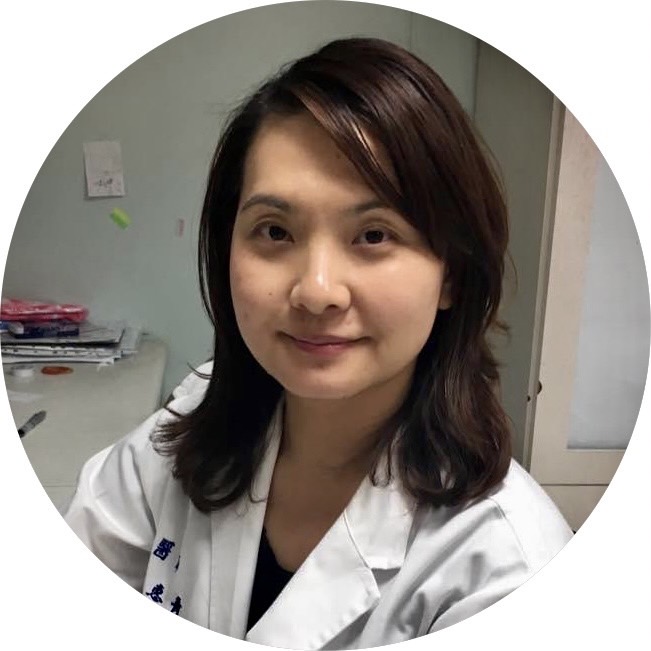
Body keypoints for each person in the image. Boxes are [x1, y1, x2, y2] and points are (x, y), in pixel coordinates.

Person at [64, 37, 572, 648]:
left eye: (374, 235)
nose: (317, 291)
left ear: (452, 275)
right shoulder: (180, 433)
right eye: (275, 231)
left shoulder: (506, 569)